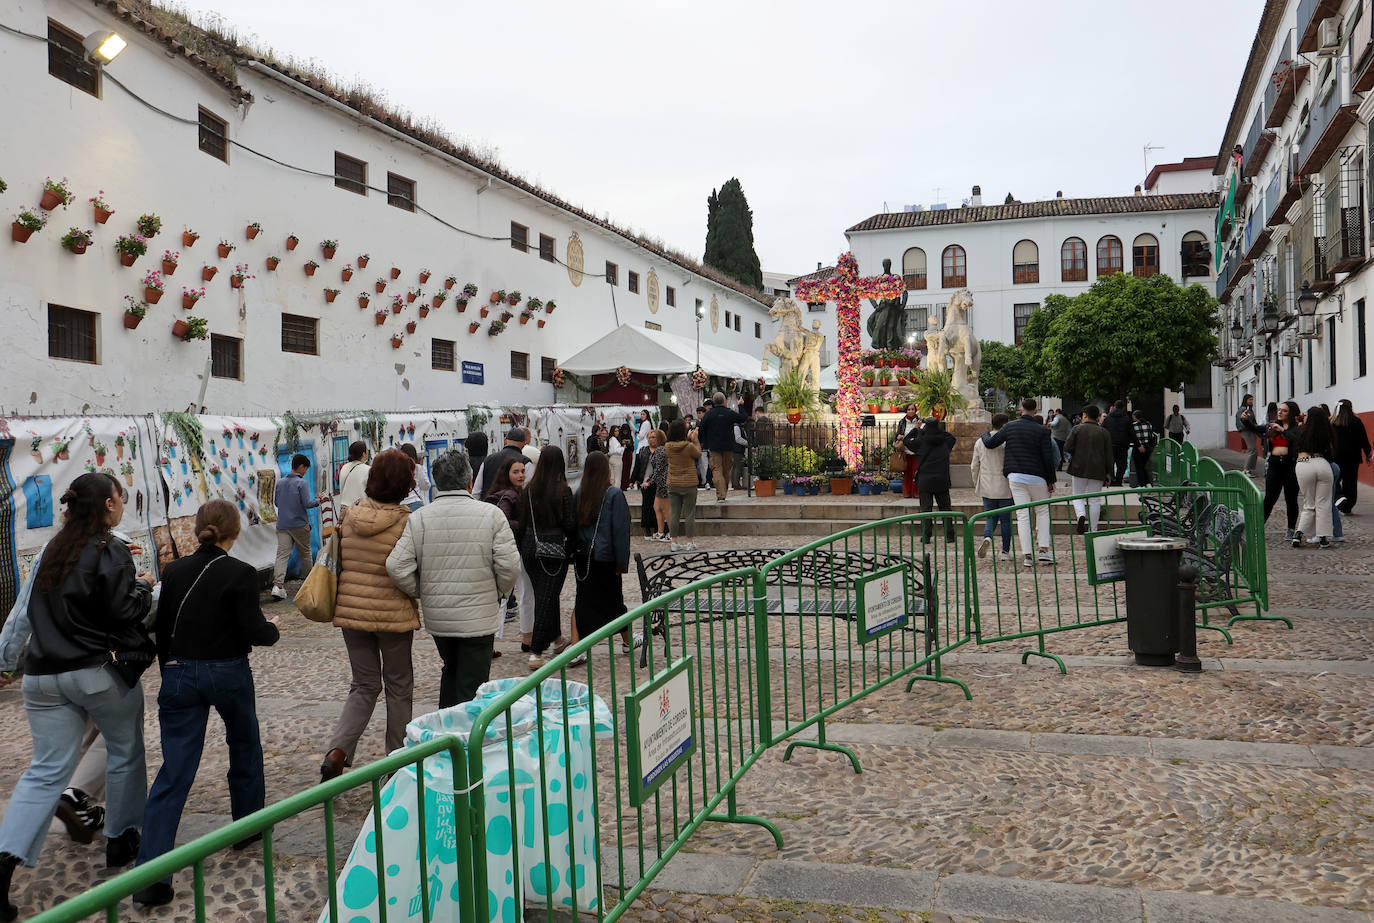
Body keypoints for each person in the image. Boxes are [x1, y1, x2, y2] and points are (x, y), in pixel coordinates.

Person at [0, 474, 154, 921]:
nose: (123, 505)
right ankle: (122, 840)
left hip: (42, 677)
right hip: (95, 673)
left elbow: (25, 610)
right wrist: (143, 586)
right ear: (108, 505)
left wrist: (7, 659)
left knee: (44, 771)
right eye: (121, 499)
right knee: (124, 749)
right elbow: (126, 610)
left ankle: (4, 863)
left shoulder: (52, 551)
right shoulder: (112, 550)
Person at [132, 500, 281, 907]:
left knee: (175, 770)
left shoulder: (174, 571)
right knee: (244, 745)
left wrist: (171, 671)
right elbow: (254, 631)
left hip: (180, 672)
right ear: (235, 531)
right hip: (228, 672)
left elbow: (163, 628)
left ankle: (152, 873)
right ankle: (247, 825)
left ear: (199, 528)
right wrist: (274, 630)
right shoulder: (241, 573)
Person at [388, 451, 520, 707]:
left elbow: (396, 565)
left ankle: (445, 734)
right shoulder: (491, 515)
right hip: (478, 617)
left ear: (437, 482)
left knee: (451, 671)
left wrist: (423, 590)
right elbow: (510, 566)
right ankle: (464, 740)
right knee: (473, 685)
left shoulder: (420, 518)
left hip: (441, 618)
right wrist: (499, 593)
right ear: (470, 480)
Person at [319, 450, 418, 782]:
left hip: (352, 613)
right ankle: (397, 763)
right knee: (399, 686)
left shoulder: (350, 517)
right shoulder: (407, 521)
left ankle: (338, 750)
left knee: (363, 685)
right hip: (393, 616)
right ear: (405, 484)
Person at [517, 446, 576, 669]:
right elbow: (570, 525)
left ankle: (557, 639)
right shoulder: (563, 490)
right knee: (546, 598)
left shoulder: (529, 489)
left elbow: (522, 523)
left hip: (530, 547)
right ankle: (536, 651)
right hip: (552, 549)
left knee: (545, 595)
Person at [982, 397, 1058, 567]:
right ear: (1036, 411)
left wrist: (984, 432)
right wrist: (1051, 480)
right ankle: (1044, 550)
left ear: (1020, 410)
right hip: (1037, 476)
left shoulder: (1010, 427)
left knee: (1022, 515)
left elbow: (990, 443)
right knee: (1042, 511)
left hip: (1015, 475)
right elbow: (1048, 458)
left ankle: (1028, 555)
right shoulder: (1042, 431)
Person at [572, 452, 632, 646]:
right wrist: (622, 562)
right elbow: (621, 531)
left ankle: (576, 646)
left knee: (583, 601)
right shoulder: (613, 494)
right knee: (614, 602)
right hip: (606, 557)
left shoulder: (579, 494)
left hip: (584, 557)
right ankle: (627, 642)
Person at [270, 453, 320, 600]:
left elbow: (277, 503)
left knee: (282, 555)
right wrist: (318, 500)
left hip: (283, 524)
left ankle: (277, 586)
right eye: (305, 468)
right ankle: (309, 583)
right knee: (305, 553)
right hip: (299, 524)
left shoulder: (280, 482)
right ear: (301, 466)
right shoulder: (301, 483)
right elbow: (307, 504)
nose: (305, 472)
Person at [1064, 404, 1114, 533]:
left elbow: (1067, 447)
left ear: (1084, 415)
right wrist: (1109, 474)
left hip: (1078, 467)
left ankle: (1081, 515)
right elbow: (1109, 455)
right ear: (1098, 417)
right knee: (1095, 500)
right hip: (1098, 470)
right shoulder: (1104, 432)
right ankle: (1093, 529)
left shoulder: (1077, 429)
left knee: (1077, 495)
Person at [970, 413, 1013, 561]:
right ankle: (1005, 552)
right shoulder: (1007, 442)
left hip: (987, 484)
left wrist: (977, 483)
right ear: (1004, 425)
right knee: (1006, 520)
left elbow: (974, 465)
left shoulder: (980, 442)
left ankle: (987, 537)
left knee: (990, 517)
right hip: (1005, 485)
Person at [1293, 405, 1336, 548]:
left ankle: (1298, 534)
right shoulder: (1327, 431)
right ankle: (1323, 538)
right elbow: (1331, 453)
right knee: (1324, 503)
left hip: (1304, 463)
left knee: (1308, 503)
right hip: (1322, 463)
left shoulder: (1301, 431)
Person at [911, 417, 956, 543]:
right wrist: (939, 429)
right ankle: (950, 535)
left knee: (926, 509)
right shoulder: (945, 441)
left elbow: (906, 440)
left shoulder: (920, 442)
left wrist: (918, 430)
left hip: (925, 480)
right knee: (946, 508)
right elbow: (952, 437)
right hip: (941, 479)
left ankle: (926, 536)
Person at [1263, 401, 1302, 538]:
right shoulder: (1273, 426)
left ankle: (1291, 529)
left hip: (1290, 467)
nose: (1280, 412)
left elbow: (1297, 440)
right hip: (1274, 466)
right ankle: (1259, 526)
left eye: (1284, 410)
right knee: (1269, 498)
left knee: (1291, 499)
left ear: (1291, 413)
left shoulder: (1296, 428)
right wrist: (1246, 421)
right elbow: (1258, 431)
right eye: (1279, 410)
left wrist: (1283, 431)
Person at [699, 392, 747, 502]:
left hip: (714, 447)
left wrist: (704, 442)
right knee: (726, 470)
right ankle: (722, 493)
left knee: (716, 470)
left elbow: (701, 428)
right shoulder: (729, 412)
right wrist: (740, 405)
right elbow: (743, 418)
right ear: (724, 401)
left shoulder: (709, 414)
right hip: (728, 446)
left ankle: (721, 493)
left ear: (714, 402)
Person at [665, 419, 702, 551]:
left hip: (673, 482)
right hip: (689, 482)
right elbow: (698, 453)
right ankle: (689, 542)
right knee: (690, 513)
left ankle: (674, 541)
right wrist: (695, 439)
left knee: (674, 512)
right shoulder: (688, 446)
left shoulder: (667, 446)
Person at [1333, 399, 1371, 513]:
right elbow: (1363, 439)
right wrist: (1368, 453)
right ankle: (1348, 506)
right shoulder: (1356, 421)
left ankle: (1339, 498)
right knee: (1350, 482)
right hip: (1352, 458)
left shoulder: (1332, 422)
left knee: (1334, 480)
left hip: (1336, 457)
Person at [475, 428, 527, 498]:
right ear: (524, 443)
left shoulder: (488, 459)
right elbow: (529, 490)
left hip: (488, 505)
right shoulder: (525, 461)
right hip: (514, 506)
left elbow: (476, 491)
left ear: (505, 440)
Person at [646, 429, 671, 541]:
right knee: (657, 508)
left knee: (666, 509)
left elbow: (659, 469)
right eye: (650, 437)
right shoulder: (658, 450)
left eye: (654, 437)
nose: (651, 439)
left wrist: (649, 482)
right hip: (660, 483)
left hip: (664, 482)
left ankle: (671, 533)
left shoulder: (661, 450)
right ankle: (660, 532)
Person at [1102, 400, 1133, 487]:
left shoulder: (1108, 418)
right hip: (1122, 446)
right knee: (1122, 465)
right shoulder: (1126, 419)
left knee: (1109, 463)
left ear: (1115, 407)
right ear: (1123, 408)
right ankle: (1118, 481)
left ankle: (1110, 479)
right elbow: (1132, 433)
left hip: (1110, 445)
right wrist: (1136, 444)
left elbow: (1102, 430)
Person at [894, 404, 921, 500]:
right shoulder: (902, 422)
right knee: (907, 473)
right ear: (906, 411)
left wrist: (918, 429)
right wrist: (898, 436)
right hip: (905, 451)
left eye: (912, 409)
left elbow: (922, 435)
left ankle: (916, 492)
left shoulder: (919, 421)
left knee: (916, 472)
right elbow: (897, 434)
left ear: (915, 410)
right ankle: (907, 491)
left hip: (916, 451)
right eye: (909, 409)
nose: (911, 411)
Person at [336, 441, 371, 510]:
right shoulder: (367, 469)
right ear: (363, 454)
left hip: (345, 509)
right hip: (360, 510)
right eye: (367, 450)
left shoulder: (344, 467)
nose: (368, 452)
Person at [1235, 395, 1263, 477]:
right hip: (1247, 431)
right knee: (1252, 450)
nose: (1251, 401)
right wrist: (1249, 428)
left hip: (1251, 431)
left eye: (1252, 400)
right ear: (1245, 400)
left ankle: (1249, 469)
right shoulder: (1243, 410)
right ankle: (1246, 470)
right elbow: (1241, 422)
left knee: (1254, 450)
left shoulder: (1249, 410)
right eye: (1250, 399)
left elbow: (1253, 421)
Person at [398, 443, 430, 510]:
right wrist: (423, 467)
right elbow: (426, 486)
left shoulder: (396, 469)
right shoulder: (417, 468)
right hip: (415, 502)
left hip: (400, 505)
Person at [1129, 410, 1156, 487]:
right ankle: (1147, 483)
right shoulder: (1148, 424)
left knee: (1138, 466)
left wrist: (1139, 445)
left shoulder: (1133, 425)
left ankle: (1142, 483)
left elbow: (1133, 437)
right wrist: (1152, 447)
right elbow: (1152, 436)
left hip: (1138, 447)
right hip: (1147, 447)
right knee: (1143, 465)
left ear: (1135, 416)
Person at [618, 424, 635, 491]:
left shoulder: (630, 436)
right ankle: (621, 485)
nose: (625, 432)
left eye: (626, 431)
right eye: (624, 430)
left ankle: (625, 485)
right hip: (622, 455)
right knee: (621, 470)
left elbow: (632, 448)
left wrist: (629, 444)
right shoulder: (619, 437)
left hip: (628, 455)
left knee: (627, 470)